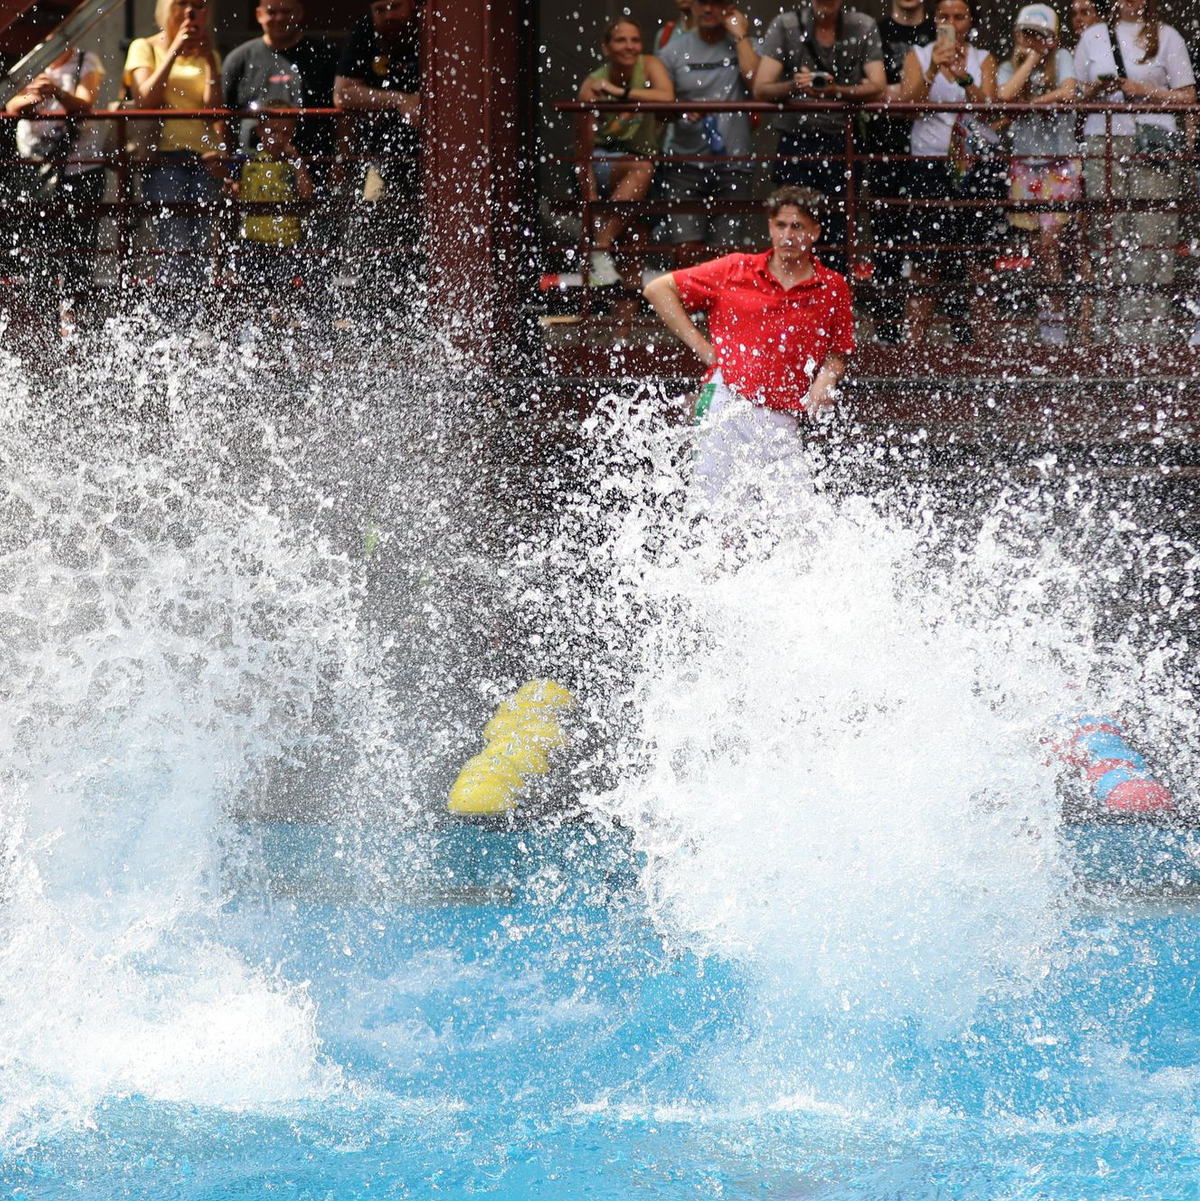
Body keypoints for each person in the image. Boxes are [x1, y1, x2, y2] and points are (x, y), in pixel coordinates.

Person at [642, 186, 854, 500]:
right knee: (711, 513)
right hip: (726, 400)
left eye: (797, 226)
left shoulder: (832, 287)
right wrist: (704, 349)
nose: (787, 235)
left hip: (783, 415)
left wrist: (827, 376)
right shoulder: (736, 269)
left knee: (799, 522)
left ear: (815, 232)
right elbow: (658, 289)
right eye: (780, 225)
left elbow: (838, 351)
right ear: (770, 227)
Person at [1074, 0, 1194, 343]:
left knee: (1152, 236)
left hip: (1151, 142)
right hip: (1104, 140)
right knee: (1105, 235)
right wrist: (1097, 90)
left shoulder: (1169, 37)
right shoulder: (1093, 36)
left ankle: (1148, 335)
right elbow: (1078, 96)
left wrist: (1145, 92)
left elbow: (1187, 97)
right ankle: (1107, 332)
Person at [751, 0, 886, 277]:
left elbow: (878, 86)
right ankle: (791, 301)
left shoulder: (862, 25)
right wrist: (795, 84)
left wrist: (836, 89)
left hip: (841, 142)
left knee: (838, 232)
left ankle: (830, 301)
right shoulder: (786, 24)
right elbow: (761, 88)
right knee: (791, 226)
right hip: (796, 140)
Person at [898, 0, 1000, 343]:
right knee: (926, 261)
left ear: (970, 19)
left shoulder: (982, 57)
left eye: (959, 16)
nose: (952, 23)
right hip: (929, 163)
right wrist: (931, 73)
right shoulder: (918, 54)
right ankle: (914, 350)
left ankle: (984, 348)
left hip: (974, 166)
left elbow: (989, 110)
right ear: (935, 19)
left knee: (978, 261)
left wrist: (963, 76)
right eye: (945, 16)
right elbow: (907, 108)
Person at [124, 0, 224, 307]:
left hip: (205, 158)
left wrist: (208, 61)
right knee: (175, 240)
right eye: (182, 4)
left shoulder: (211, 52)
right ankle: (174, 318)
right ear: (167, 9)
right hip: (165, 156)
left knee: (205, 241)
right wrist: (174, 52)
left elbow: (213, 110)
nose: (191, 12)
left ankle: (200, 316)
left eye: (199, 5)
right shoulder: (145, 47)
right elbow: (145, 99)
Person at [4, 44, 107, 329]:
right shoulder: (29, 63)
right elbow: (11, 105)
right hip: (37, 171)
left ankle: (75, 319)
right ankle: (42, 319)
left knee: (79, 250)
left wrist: (57, 92)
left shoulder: (86, 60)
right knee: (40, 250)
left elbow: (85, 103)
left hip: (79, 170)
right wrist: (33, 95)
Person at [997, 5, 1079, 344]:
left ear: (1053, 38)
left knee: (1051, 244)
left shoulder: (1062, 58)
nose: (1032, 39)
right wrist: (1028, 61)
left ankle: (1056, 320)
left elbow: (1069, 92)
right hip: (1024, 164)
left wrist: (1032, 101)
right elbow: (1003, 97)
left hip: (1058, 163)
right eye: (1026, 32)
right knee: (1037, 247)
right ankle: (1049, 315)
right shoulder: (1006, 66)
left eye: (1039, 34)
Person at [656, 1, 760, 264]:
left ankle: (720, 306)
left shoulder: (747, 45)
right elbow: (659, 109)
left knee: (726, 258)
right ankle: (689, 306)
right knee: (686, 255)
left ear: (731, 8)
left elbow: (757, 82)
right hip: (685, 164)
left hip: (733, 164)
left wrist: (740, 35)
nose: (708, 9)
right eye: (703, 2)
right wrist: (681, 110)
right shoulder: (673, 51)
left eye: (717, 2)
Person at [576, 18, 673, 288]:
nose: (629, 46)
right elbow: (582, 151)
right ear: (605, 48)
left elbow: (668, 97)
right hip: (607, 165)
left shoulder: (650, 65)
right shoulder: (592, 85)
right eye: (621, 40)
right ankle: (601, 246)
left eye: (635, 40)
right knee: (641, 167)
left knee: (634, 247)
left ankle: (622, 332)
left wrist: (620, 93)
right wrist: (591, 198)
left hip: (642, 174)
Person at [862, 0, 936, 341]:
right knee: (886, 242)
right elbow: (867, 87)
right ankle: (887, 332)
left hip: (931, 146)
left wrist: (903, 95)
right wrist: (899, 96)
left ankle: (943, 335)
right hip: (884, 147)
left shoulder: (940, 29)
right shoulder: (874, 30)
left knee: (934, 242)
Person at [334, 0, 422, 287]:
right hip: (379, 153)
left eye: (395, 7)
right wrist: (400, 100)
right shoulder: (364, 32)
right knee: (369, 221)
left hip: (431, 157)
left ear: (412, 6)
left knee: (424, 228)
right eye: (379, 9)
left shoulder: (432, 28)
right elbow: (343, 95)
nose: (387, 16)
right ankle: (367, 295)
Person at [222, 0, 338, 177]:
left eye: (286, 11)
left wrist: (340, 160)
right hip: (252, 172)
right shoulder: (238, 59)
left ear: (299, 13)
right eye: (272, 12)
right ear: (259, 15)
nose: (279, 18)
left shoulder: (324, 54)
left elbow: (342, 113)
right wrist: (228, 167)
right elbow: (222, 118)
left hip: (314, 168)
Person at [232, 107, 313, 312]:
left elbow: (306, 195)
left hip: (286, 242)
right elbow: (235, 189)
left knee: (285, 296)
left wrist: (297, 163)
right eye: (273, 131)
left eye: (285, 133)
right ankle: (257, 329)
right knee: (253, 295)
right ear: (260, 131)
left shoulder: (292, 163)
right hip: (253, 241)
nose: (279, 138)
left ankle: (281, 333)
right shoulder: (248, 160)